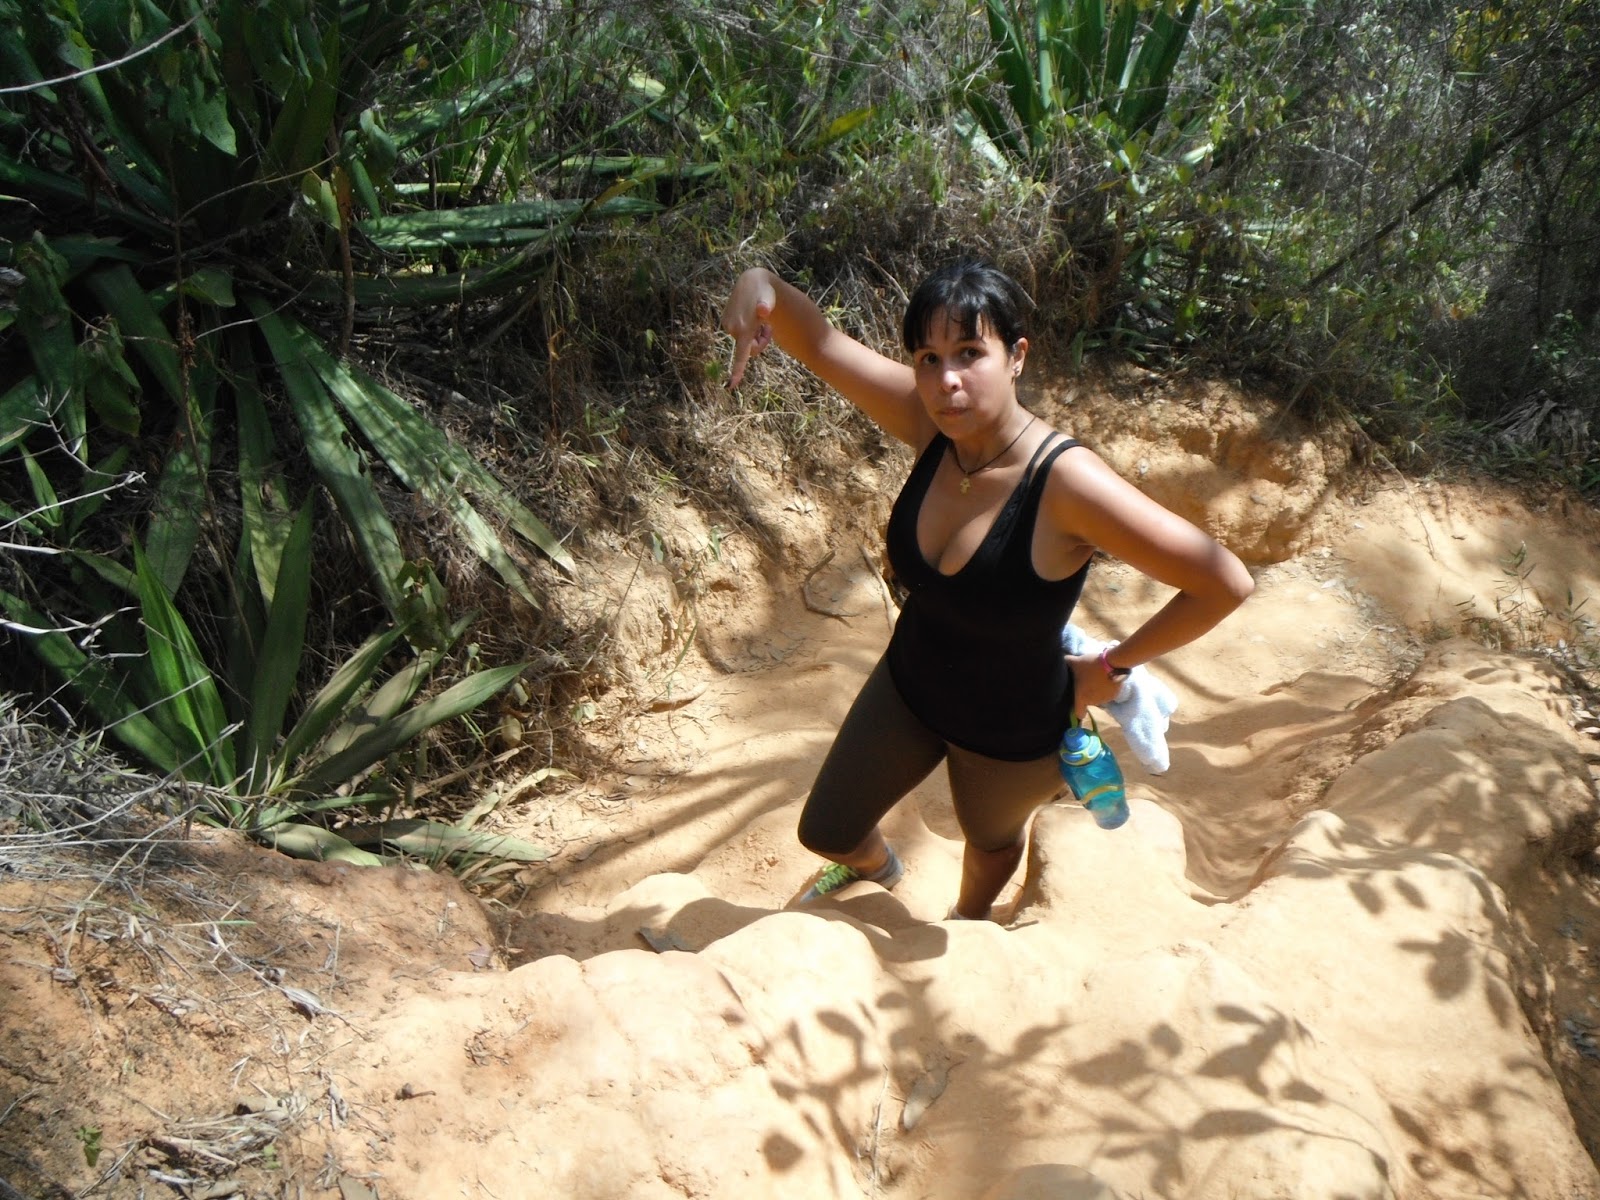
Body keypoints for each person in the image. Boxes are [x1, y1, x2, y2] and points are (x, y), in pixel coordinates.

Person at [719, 259, 1254, 921]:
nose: (947, 380)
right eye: (928, 358)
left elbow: (1223, 582)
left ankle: (968, 921)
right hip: (909, 686)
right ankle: (881, 871)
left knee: (990, 842)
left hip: (1013, 726)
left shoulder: (1066, 483)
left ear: (1016, 356)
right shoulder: (931, 424)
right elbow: (822, 343)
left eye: (970, 352)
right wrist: (762, 284)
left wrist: (1112, 666)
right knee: (826, 830)